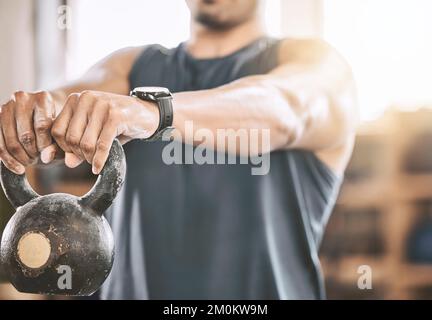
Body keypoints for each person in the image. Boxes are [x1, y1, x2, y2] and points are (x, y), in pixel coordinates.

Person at [0, 0, 356, 299]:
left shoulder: (315, 62)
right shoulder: (131, 68)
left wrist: (155, 113)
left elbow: (287, 108)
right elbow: (66, 102)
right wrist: (36, 119)